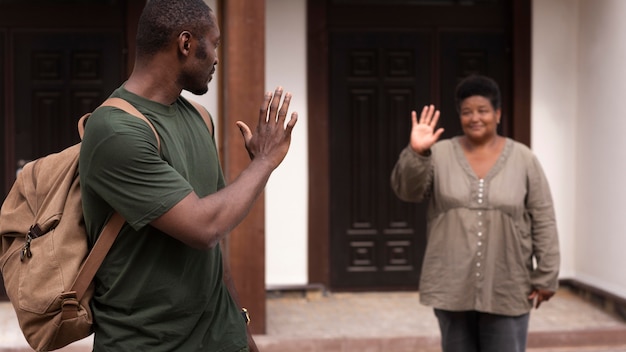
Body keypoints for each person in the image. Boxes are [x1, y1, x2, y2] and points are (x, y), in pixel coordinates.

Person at [79, 0, 297, 351]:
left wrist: (242, 331)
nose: (216, 57)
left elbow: (216, 242)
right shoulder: (116, 130)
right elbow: (204, 228)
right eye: (214, 44)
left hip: (219, 338)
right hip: (146, 343)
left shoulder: (199, 118)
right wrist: (265, 161)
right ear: (186, 44)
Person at [390, 74, 560, 352]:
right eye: (467, 112)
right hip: (451, 282)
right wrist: (417, 153)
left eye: (482, 110)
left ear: (498, 113)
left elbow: (543, 217)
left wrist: (546, 275)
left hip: (507, 283)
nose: (475, 118)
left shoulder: (524, 159)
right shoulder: (439, 154)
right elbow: (406, 191)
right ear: (459, 116)